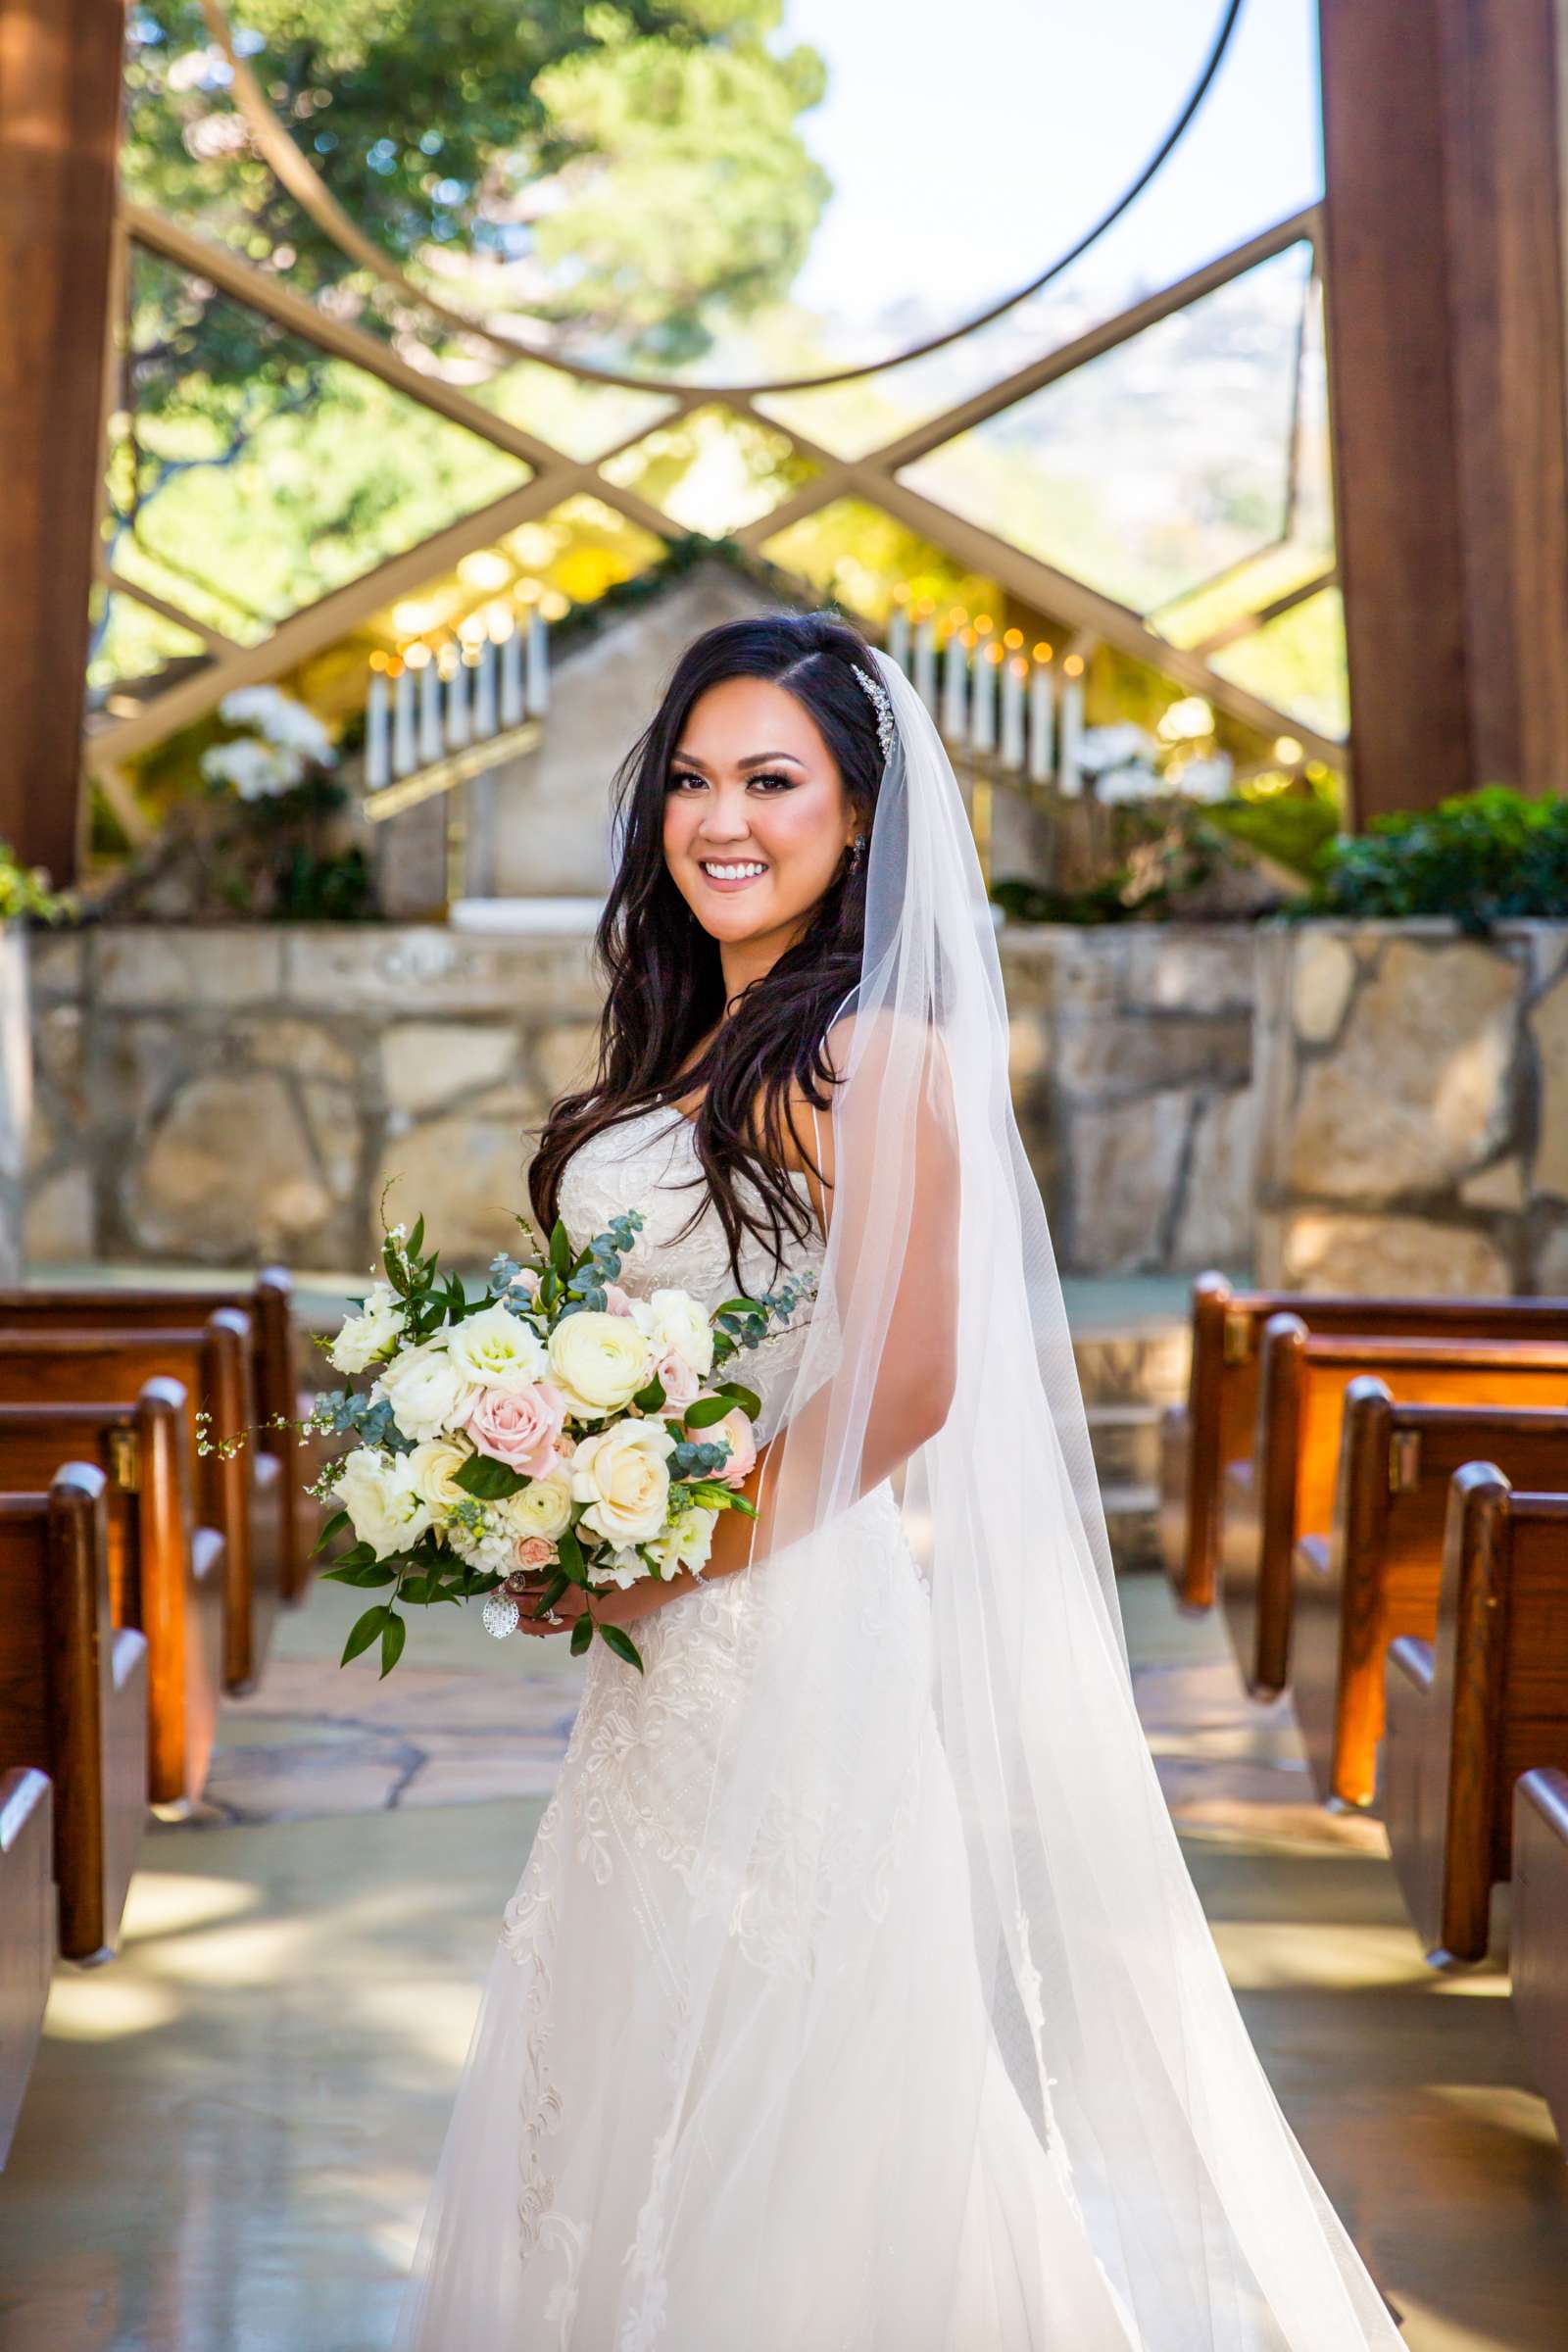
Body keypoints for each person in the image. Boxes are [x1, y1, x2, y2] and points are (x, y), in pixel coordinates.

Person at [392, 612, 1403, 2349]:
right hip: (667, 1661)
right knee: (637, 2039)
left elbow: (911, 1382)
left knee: (801, 2049)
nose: (724, 819)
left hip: (784, 1624)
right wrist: (533, 1472)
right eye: (694, 781)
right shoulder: (688, 1047)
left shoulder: (871, 1052)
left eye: (773, 782)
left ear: (860, 820)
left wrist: (668, 1547)